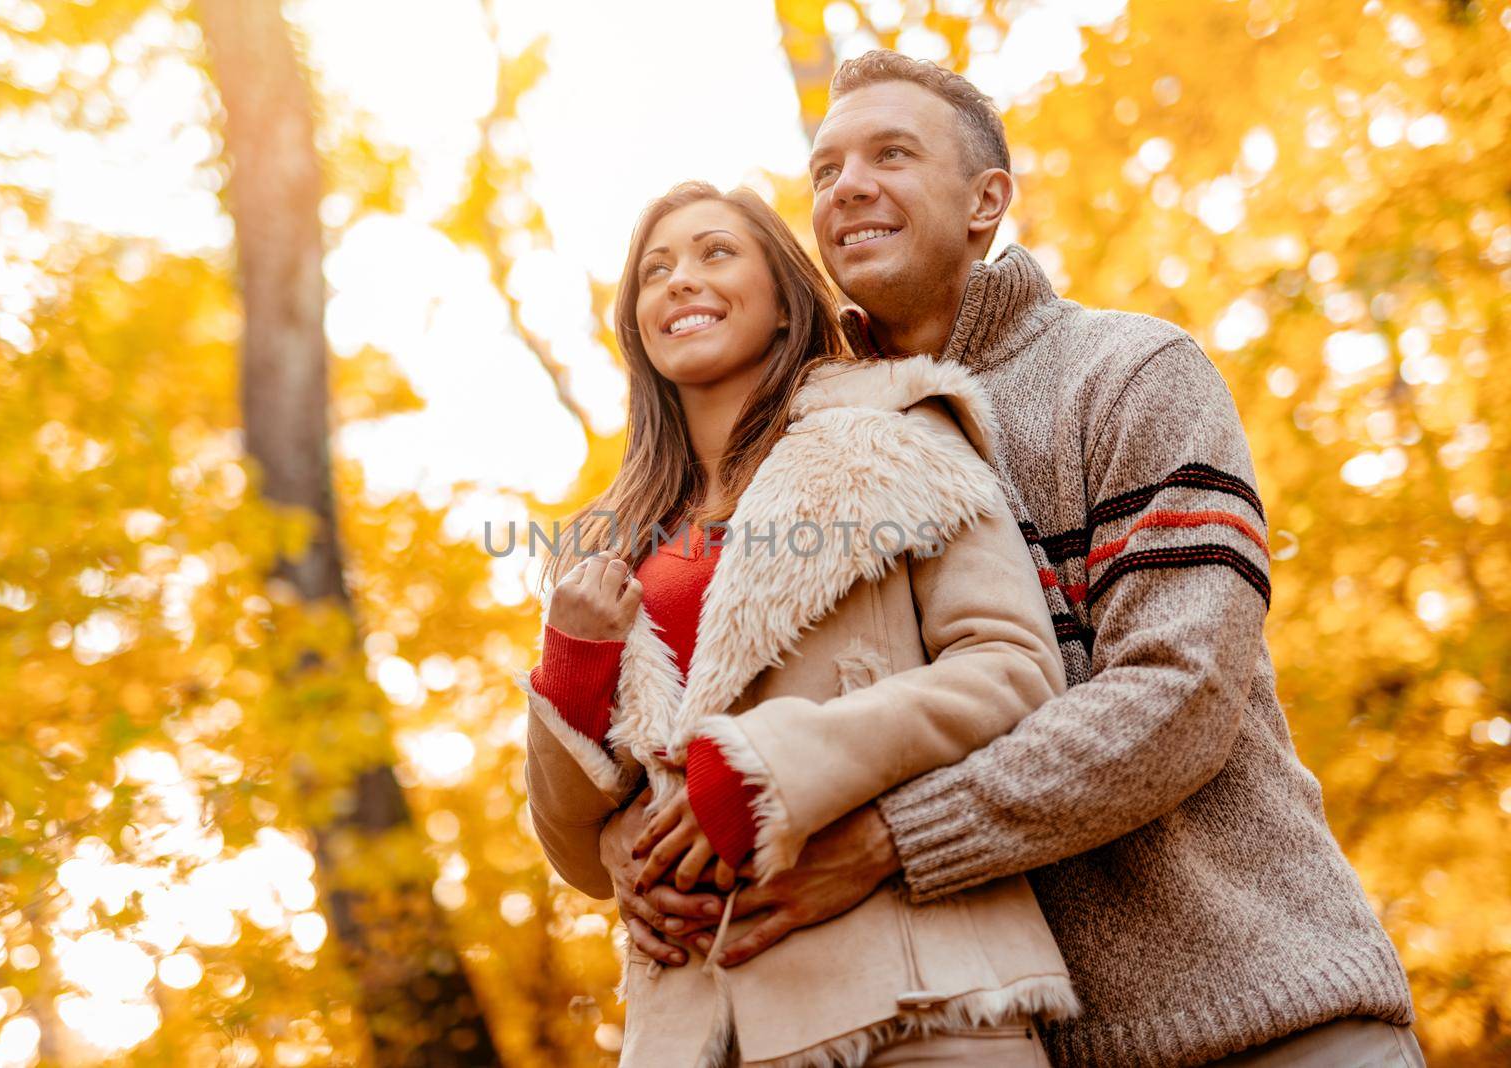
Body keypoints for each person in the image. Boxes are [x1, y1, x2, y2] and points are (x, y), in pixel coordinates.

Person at [595, 51, 1425, 1067]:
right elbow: (728, 713)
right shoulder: (816, 454)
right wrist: (629, 850)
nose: (846, 185)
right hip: (1010, 1034)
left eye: (890, 154)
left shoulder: (1126, 373)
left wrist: (892, 842)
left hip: (1262, 1014)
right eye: (823, 170)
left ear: (987, 201)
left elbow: (1181, 690)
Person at [519, 181, 1079, 1065]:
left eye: (714, 253)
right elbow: (583, 857)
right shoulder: (612, 542)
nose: (679, 282)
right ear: (637, 327)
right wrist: (573, 662)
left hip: (915, 999)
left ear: (784, 299)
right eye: (655, 271)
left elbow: (1011, 668)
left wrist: (774, 767)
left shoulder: (895, 433)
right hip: (696, 1028)